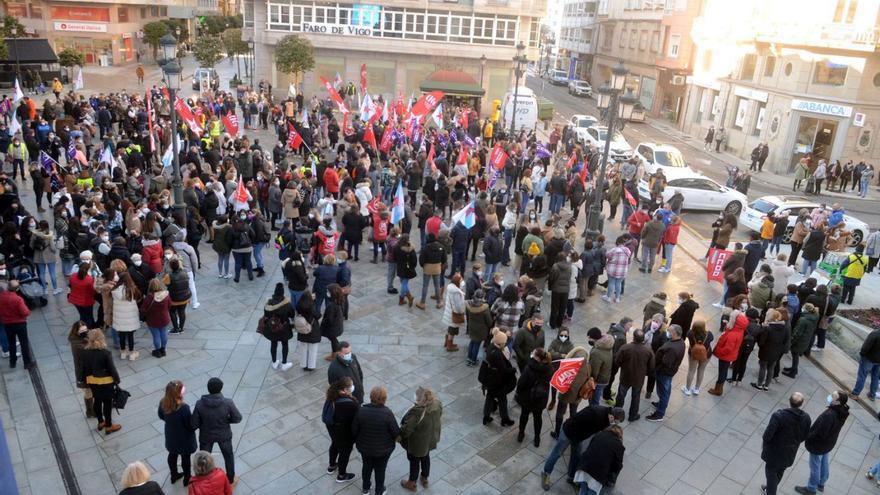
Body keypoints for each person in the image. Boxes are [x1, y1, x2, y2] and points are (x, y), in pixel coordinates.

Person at [540, 405, 625, 490]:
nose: (616, 424)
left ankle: (571, 477)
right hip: (569, 432)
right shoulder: (595, 413)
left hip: (579, 437)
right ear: (612, 416)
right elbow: (577, 420)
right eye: (616, 421)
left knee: (576, 457)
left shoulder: (607, 419)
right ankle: (546, 473)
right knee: (557, 453)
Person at [794, 391, 849, 494]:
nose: (830, 396)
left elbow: (820, 433)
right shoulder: (843, 411)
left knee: (815, 466)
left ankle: (811, 488)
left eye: (833, 396)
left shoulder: (829, 415)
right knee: (824, 462)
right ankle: (821, 483)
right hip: (829, 443)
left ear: (837, 402)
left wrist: (808, 437)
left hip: (818, 445)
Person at [191, 377, 242, 486]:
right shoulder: (228, 402)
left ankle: (205, 481)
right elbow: (238, 418)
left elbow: (194, 424)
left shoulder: (199, 404)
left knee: (203, 459)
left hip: (206, 436)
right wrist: (227, 420)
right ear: (221, 388)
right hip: (224, 435)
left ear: (208, 389)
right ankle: (230, 479)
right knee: (228, 456)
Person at [353, 386, 400, 495]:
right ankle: (379, 490)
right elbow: (396, 432)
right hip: (383, 450)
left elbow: (354, 430)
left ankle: (365, 488)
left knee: (366, 466)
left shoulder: (361, 410)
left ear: (371, 397)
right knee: (380, 470)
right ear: (384, 399)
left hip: (365, 448)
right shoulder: (387, 413)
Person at [762, 392, 811, 495]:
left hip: (774, 452)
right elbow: (805, 435)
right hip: (790, 452)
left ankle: (770, 491)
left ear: (789, 401)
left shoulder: (779, 416)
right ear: (801, 404)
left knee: (770, 472)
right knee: (780, 470)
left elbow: (768, 435)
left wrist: (766, 444)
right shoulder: (806, 418)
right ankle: (770, 488)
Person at [398, 386, 443, 491]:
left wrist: (399, 435)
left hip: (417, 444)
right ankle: (424, 478)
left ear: (420, 399)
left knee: (414, 461)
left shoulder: (417, 412)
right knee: (426, 457)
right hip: (429, 439)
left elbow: (407, 430)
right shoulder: (437, 404)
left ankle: (411, 483)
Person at [78, 329, 121, 433]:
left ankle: (100, 421)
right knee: (107, 403)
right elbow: (112, 369)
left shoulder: (85, 352)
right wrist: (117, 379)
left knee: (97, 400)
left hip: (92, 381)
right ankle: (109, 426)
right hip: (106, 381)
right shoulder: (105, 353)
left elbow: (83, 368)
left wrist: (82, 379)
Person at [158, 380, 197, 487]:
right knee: (185, 458)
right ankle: (187, 478)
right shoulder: (184, 408)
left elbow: (161, 416)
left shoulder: (163, 403)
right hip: (184, 438)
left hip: (171, 436)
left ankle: (174, 475)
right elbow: (189, 425)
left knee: (172, 454)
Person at [322, 377, 359, 483]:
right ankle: (342, 475)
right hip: (344, 433)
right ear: (345, 389)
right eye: (351, 386)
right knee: (345, 452)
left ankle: (332, 466)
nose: (352, 387)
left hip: (333, 429)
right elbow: (355, 420)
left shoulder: (332, 395)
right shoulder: (349, 404)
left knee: (334, 445)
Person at [646, 324, 686, 422]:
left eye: (669, 330)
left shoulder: (672, 348)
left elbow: (666, 363)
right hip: (668, 371)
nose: (667, 331)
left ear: (674, 333)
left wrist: (656, 368)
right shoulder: (680, 342)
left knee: (664, 392)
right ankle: (661, 404)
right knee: (663, 390)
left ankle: (659, 414)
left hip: (664, 372)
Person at [515, 347, 552, 447]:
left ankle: (521, 433)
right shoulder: (549, 368)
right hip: (540, 398)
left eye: (534, 354)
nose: (531, 354)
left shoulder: (529, 367)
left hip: (527, 397)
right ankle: (537, 437)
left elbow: (521, 382)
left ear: (537, 358)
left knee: (524, 415)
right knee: (538, 417)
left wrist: (518, 393)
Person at [479, 328, 517, 426]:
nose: (505, 344)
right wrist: (513, 370)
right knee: (502, 399)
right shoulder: (497, 353)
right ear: (501, 343)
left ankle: (486, 416)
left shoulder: (491, 346)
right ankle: (504, 419)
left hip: (490, 379)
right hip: (496, 381)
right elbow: (503, 369)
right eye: (504, 342)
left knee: (490, 397)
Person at [573, 424, 625, 495]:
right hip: (598, 474)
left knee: (583, 490)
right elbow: (618, 466)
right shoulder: (619, 446)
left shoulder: (599, 434)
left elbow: (589, 448)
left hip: (585, 466)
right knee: (592, 492)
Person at [708, 305, 748, 396]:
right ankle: (719, 388)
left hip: (725, 356)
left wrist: (719, 351)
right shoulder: (739, 330)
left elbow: (728, 348)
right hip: (730, 355)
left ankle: (718, 389)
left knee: (722, 372)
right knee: (723, 371)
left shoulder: (733, 335)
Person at [753, 309, 790, 391]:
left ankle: (759, 384)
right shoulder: (785, 328)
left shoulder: (768, 328)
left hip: (765, 351)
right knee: (771, 368)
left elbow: (761, 342)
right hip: (776, 352)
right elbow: (786, 340)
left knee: (763, 367)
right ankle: (766, 386)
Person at [262, 282, 295, 370]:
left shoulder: (269, 303)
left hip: (273, 328)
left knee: (273, 344)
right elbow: (292, 315)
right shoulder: (287, 304)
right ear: (282, 293)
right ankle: (284, 363)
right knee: (285, 344)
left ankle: (274, 362)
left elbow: (266, 314)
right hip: (284, 328)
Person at [0, 281, 32, 369]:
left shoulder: (1, 297)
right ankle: (27, 363)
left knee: (11, 343)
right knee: (24, 343)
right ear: (17, 289)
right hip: (19, 323)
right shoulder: (18, 299)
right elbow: (25, 312)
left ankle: (12, 362)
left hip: (7, 323)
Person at [783, 303, 819, 378]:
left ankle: (793, 371)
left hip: (799, 341)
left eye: (803, 307)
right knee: (795, 355)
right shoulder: (814, 317)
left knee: (795, 355)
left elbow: (797, 333)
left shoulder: (803, 320)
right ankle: (793, 368)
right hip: (805, 340)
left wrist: (791, 341)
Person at [113, 272, 142, 361]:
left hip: (119, 317)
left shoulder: (115, 290)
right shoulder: (133, 289)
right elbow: (139, 298)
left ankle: (123, 352)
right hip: (131, 315)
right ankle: (132, 353)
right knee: (130, 335)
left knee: (121, 335)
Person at [140, 279, 171, 358]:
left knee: (156, 335)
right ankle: (163, 350)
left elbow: (143, 309)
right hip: (164, 318)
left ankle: (157, 351)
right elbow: (169, 305)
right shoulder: (166, 295)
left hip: (153, 320)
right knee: (163, 333)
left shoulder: (149, 297)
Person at [851, 327, 880, 401]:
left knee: (862, 376)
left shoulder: (875, 333)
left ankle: (855, 394)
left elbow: (866, 345)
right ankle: (872, 395)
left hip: (869, 358)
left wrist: (862, 353)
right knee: (875, 377)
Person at [164, 258, 191, 334]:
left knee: (172, 312)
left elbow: (165, 283)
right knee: (182, 312)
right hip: (185, 297)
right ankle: (181, 328)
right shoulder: (185, 272)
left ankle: (176, 328)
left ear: (171, 266)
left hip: (174, 299)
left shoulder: (168, 276)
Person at [465, 289, 492, 366]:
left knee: (472, 342)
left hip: (471, 327)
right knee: (477, 345)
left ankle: (469, 358)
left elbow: (467, 316)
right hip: (480, 330)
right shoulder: (485, 308)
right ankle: (473, 360)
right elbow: (489, 321)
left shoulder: (469, 305)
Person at [441, 273, 466, 352]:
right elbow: (458, 306)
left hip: (450, 313)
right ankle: (449, 345)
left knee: (450, 329)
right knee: (453, 330)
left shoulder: (451, 288)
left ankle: (447, 342)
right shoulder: (456, 292)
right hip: (454, 315)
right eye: (461, 280)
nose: (462, 281)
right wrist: (461, 311)